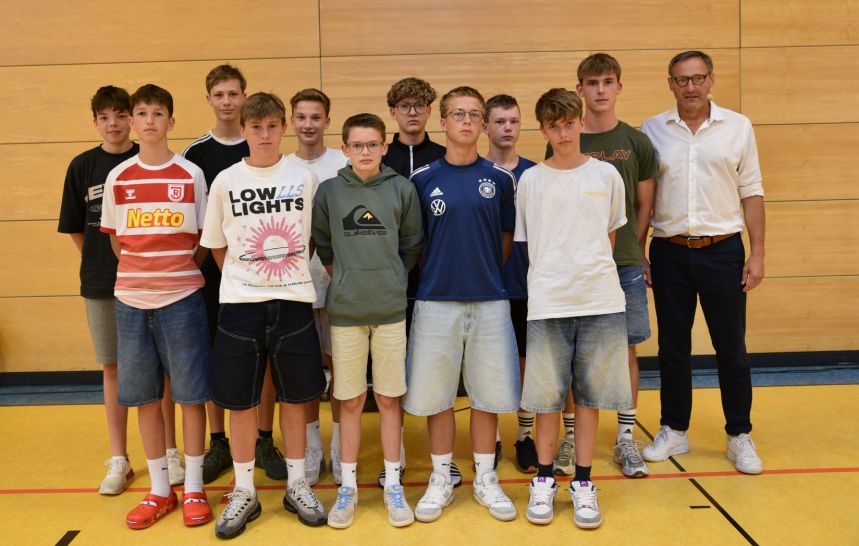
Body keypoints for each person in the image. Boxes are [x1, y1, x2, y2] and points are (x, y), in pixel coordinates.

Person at [201, 92, 327, 539]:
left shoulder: (305, 177)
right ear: (245, 130)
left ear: (283, 127)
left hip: (293, 302)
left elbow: (312, 238)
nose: (265, 134)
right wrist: (246, 280)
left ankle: (296, 484)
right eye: (256, 127)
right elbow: (217, 244)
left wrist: (283, 276)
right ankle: (243, 490)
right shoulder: (225, 181)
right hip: (239, 305)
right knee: (240, 401)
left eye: (273, 126)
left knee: (294, 398)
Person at [640, 50, 765, 475]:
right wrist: (640, 251)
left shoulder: (738, 127)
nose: (690, 87)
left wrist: (758, 253)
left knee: (731, 347)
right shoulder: (652, 130)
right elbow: (645, 198)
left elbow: (752, 192)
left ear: (711, 80)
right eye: (681, 79)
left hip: (723, 251)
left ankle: (738, 435)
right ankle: (674, 429)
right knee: (673, 347)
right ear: (670, 83)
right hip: (670, 250)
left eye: (697, 78)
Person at [405, 86, 519, 523]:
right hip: (435, 302)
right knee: (437, 398)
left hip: (490, 300)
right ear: (443, 122)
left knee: (487, 397)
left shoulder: (502, 179)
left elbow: (504, 241)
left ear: (484, 124)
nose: (467, 121)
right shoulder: (423, 180)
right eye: (458, 114)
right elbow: (418, 244)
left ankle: (486, 478)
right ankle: (440, 477)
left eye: (474, 114)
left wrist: (481, 272)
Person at [100, 84, 212, 529]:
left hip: (182, 298)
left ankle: (196, 488)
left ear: (171, 121)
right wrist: (141, 274)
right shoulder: (119, 177)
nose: (148, 121)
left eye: (157, 113)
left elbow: (203, 238)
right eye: (141, 113)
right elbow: (114, 238)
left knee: (189, 396)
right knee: (144, 397)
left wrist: (176, 272)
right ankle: (160, 490)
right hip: (130, 300)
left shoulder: (190, 174)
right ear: (131, 120)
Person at [517, 88, 629, 528]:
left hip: (601, 300)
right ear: (543, 129)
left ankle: (583, 483)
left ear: (580, 123)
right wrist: (554, 282)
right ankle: (543, 479)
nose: (562, 133)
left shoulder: (606, 177)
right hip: (548, 303)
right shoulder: (531, 181)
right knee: (547, 400)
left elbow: (610, 237)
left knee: (589, 398)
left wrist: (586, 276)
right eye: (553, 126)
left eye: (569, 123)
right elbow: (530, 247)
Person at [546, 53, 658, 478]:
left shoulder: (636, 142)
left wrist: (637, 251)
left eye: (608, 82)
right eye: (591, 83)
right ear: (579, 89)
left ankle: (626, 440)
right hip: (575, 267)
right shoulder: (567, 137)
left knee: (625, 350)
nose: (600, 90)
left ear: (619, 87)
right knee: (576, 356)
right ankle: (572, 437)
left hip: (624, 263)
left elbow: (645, 204)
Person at [312, 113, 423, 529]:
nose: (365, 152)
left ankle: (394, 485)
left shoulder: (401, 189)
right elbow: (323, 243)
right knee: (352, 401)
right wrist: (345, 278)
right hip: (346, 313)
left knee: (391, 399)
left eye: (372, 144)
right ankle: (348, 489)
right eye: (356, 145)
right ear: (344, 149)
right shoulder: (329, 192)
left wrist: (392, 277)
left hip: (391, 311)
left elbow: (412, 245)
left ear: (384, 147)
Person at [183, 64, 286, 483]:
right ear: (209, 99)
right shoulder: (196, 154)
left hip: (264, 276)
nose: (227, 101)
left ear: (244, 98)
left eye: (233, 94)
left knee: (263, 362)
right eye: (219, 94)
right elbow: (196, 222)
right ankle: (219, 440)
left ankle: (264, 438)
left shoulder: (267, 149)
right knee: (216, 358)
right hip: (215, 277)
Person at [58, 85, 139, 495]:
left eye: (120, 115)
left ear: (132, 117)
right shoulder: (82, 165)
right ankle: (120, 458)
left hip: (148, 280)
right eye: (105, 117)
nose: (113, 124)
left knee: (156, 371)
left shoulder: (148, 159)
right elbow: (74, 226)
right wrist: (98, 257)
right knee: (113, 367)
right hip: (101, 281)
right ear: (95, 122)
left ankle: (171, 452)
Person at [379, 76, 453, 487]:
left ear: (430, 111)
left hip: (433, 279)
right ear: (392, 111)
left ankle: (441, 458)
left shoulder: (445, 157)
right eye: (404, 105)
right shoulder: (379, 156)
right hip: (389, 284)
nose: (412, 111)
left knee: (434, 367)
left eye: (419, 105)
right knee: (393, 371)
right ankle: (398, 452)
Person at [286, 88, 348, 486]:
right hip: (296, 287)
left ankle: (343, 443)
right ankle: (311, 444)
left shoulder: (344, 162)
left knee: (342, 367)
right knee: (304, 370)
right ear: (293, 121)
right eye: (302, 117)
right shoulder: (282, 166)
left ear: (327, 121)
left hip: (340, 284)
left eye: (316, 117)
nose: (309, 124)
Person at [482, 94, 537, 473]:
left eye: (513, 121)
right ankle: (493, 439)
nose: (507, 128)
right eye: (499, 121)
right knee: (489, 365)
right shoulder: (474, 173)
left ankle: (525, 436)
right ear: (486, 126)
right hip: (486, 285)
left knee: (525, 365)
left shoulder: (536, 174)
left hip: (527, 285)